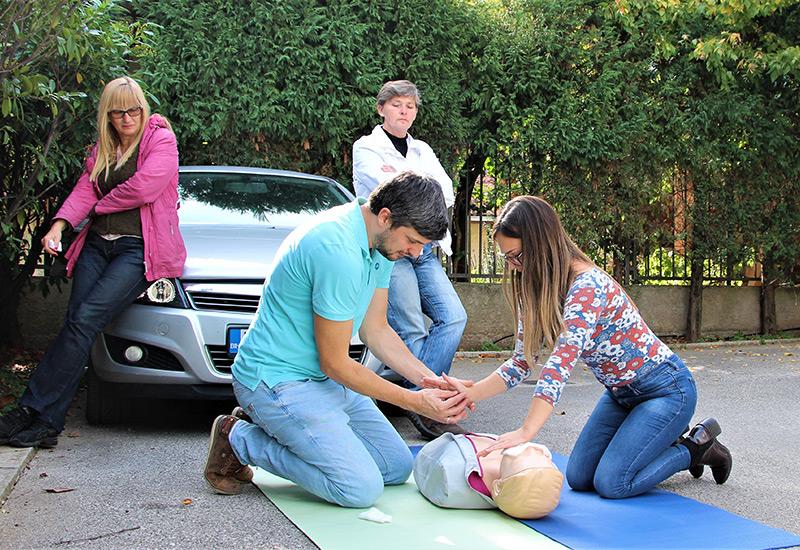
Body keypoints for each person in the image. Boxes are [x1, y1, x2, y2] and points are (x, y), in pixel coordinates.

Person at [425, 195, 732, 499]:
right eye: (507, 258)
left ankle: (696, 447)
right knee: (580, 478)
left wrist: (526, 432)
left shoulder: (587, 285)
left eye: (517, 255)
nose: (514, 266)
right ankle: (657, 437)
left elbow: (558, 368)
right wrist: (470, 393)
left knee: (613, 483)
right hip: (621, 394)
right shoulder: (533, 286)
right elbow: (521, 363)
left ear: (541, 243)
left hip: (667, 390)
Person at [202, 172, 472, 508]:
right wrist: (416, 402)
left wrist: (429, 382)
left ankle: (284, 431)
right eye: (413, 240)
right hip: (276, 380)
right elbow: (335, 363)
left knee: (396, 467)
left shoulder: (381, 244)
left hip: (321, 380)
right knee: (359, 489)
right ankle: (239, 439)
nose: (416, 254)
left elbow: (376, 330)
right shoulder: (336, 249)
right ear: (386, 216)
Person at [0, 76, 185, 449]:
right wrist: (59, 226)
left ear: (142, 108)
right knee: (75, 324)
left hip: (137, 250)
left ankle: (31, 410)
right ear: (109, 115)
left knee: (85, 320)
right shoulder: (103, 147)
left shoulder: (159, 140)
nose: (128, 118)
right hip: (98, 246)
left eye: (134, 109)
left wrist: (99, 206)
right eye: (119, 112)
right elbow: (86, 187)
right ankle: (45, 421)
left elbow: (145, 187)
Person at [352, 80, 467, 440]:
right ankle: (426, 409)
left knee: (454, 317)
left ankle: (418, 398)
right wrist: (423, 185)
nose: (405, 112)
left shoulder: (422, 149)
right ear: (381, 108)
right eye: (398, 105)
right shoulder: (366, 146)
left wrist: (419, 184)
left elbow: (445, 189)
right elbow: (388, 190)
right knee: (412, 327)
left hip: (426, 247)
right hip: (393, 248)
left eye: (411, 107)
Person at [413, 433, 563, 519]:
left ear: (498, 485)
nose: (529, 447)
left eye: (516, 455)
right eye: (543, 453)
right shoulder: (525, 480)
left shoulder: (450, 473)